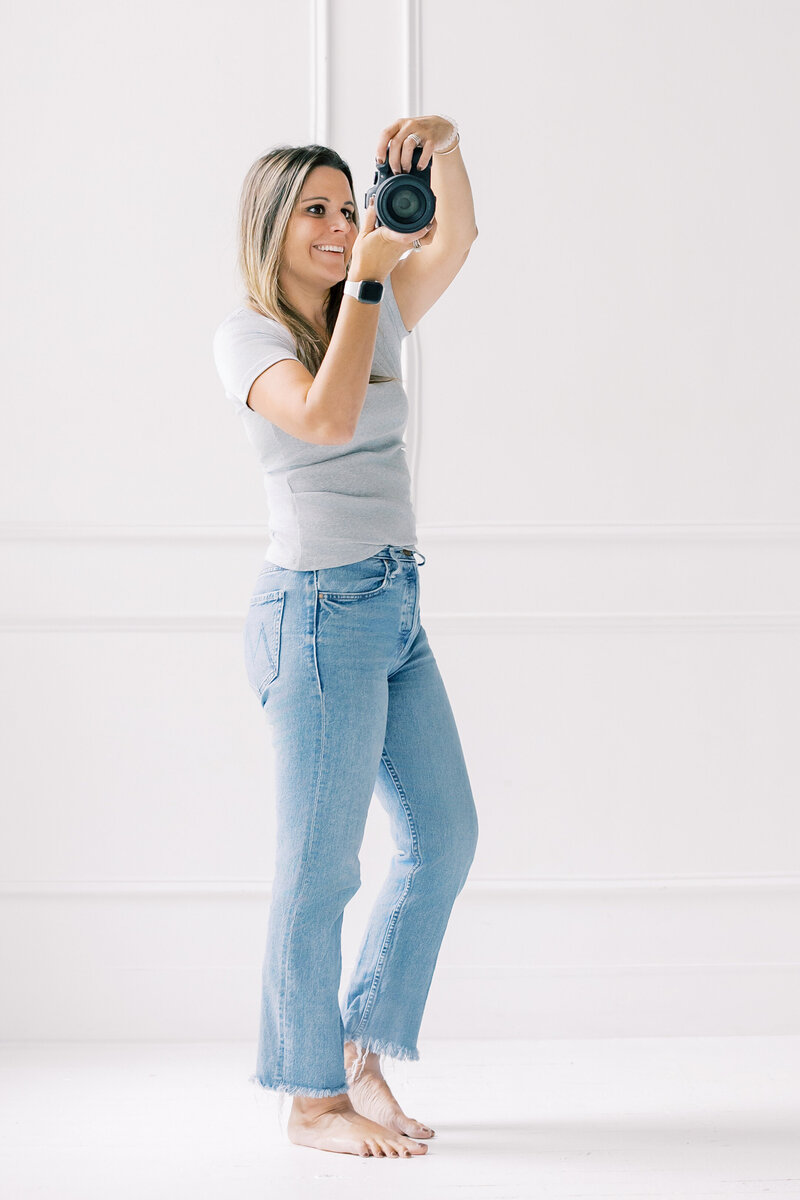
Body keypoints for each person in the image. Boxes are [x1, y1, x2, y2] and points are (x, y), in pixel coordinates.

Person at [212, 116, 480, 1159]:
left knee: (443, 836)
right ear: (272, 228)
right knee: (318, 867)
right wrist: (367, 280)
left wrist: (443, 156)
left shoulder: (365, 314)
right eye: (314, 212)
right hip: (315, 615)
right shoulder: (252, 336)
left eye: (345, 205)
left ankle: (360, 1044)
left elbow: (452, 243)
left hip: (392, 603)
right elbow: (320, 423)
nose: (337, 225)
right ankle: (309, 1098)